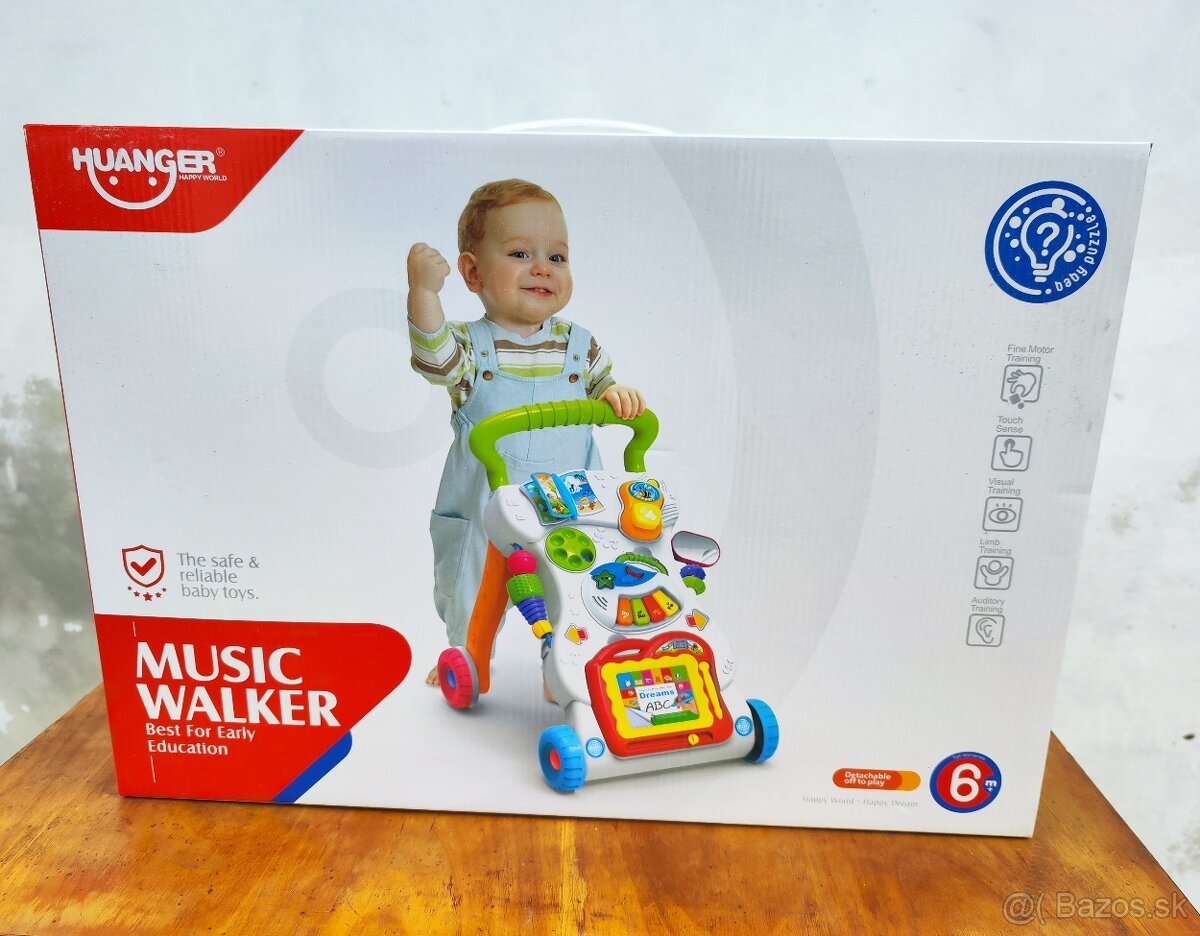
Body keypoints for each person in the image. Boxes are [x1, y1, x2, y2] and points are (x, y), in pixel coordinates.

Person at [408, 179, 645, 685]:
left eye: (557, 257)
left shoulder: (580, 346)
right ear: (473, 272)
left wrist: (616, 396)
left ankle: (570, 664)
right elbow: (434, 360)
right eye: (520, 254)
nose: (543, 268)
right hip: (486, 504)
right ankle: (467, 655)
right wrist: (423, 293)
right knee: (470, 581)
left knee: (582, 582)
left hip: (572, 502)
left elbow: (604, 388)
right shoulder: (469, 348)